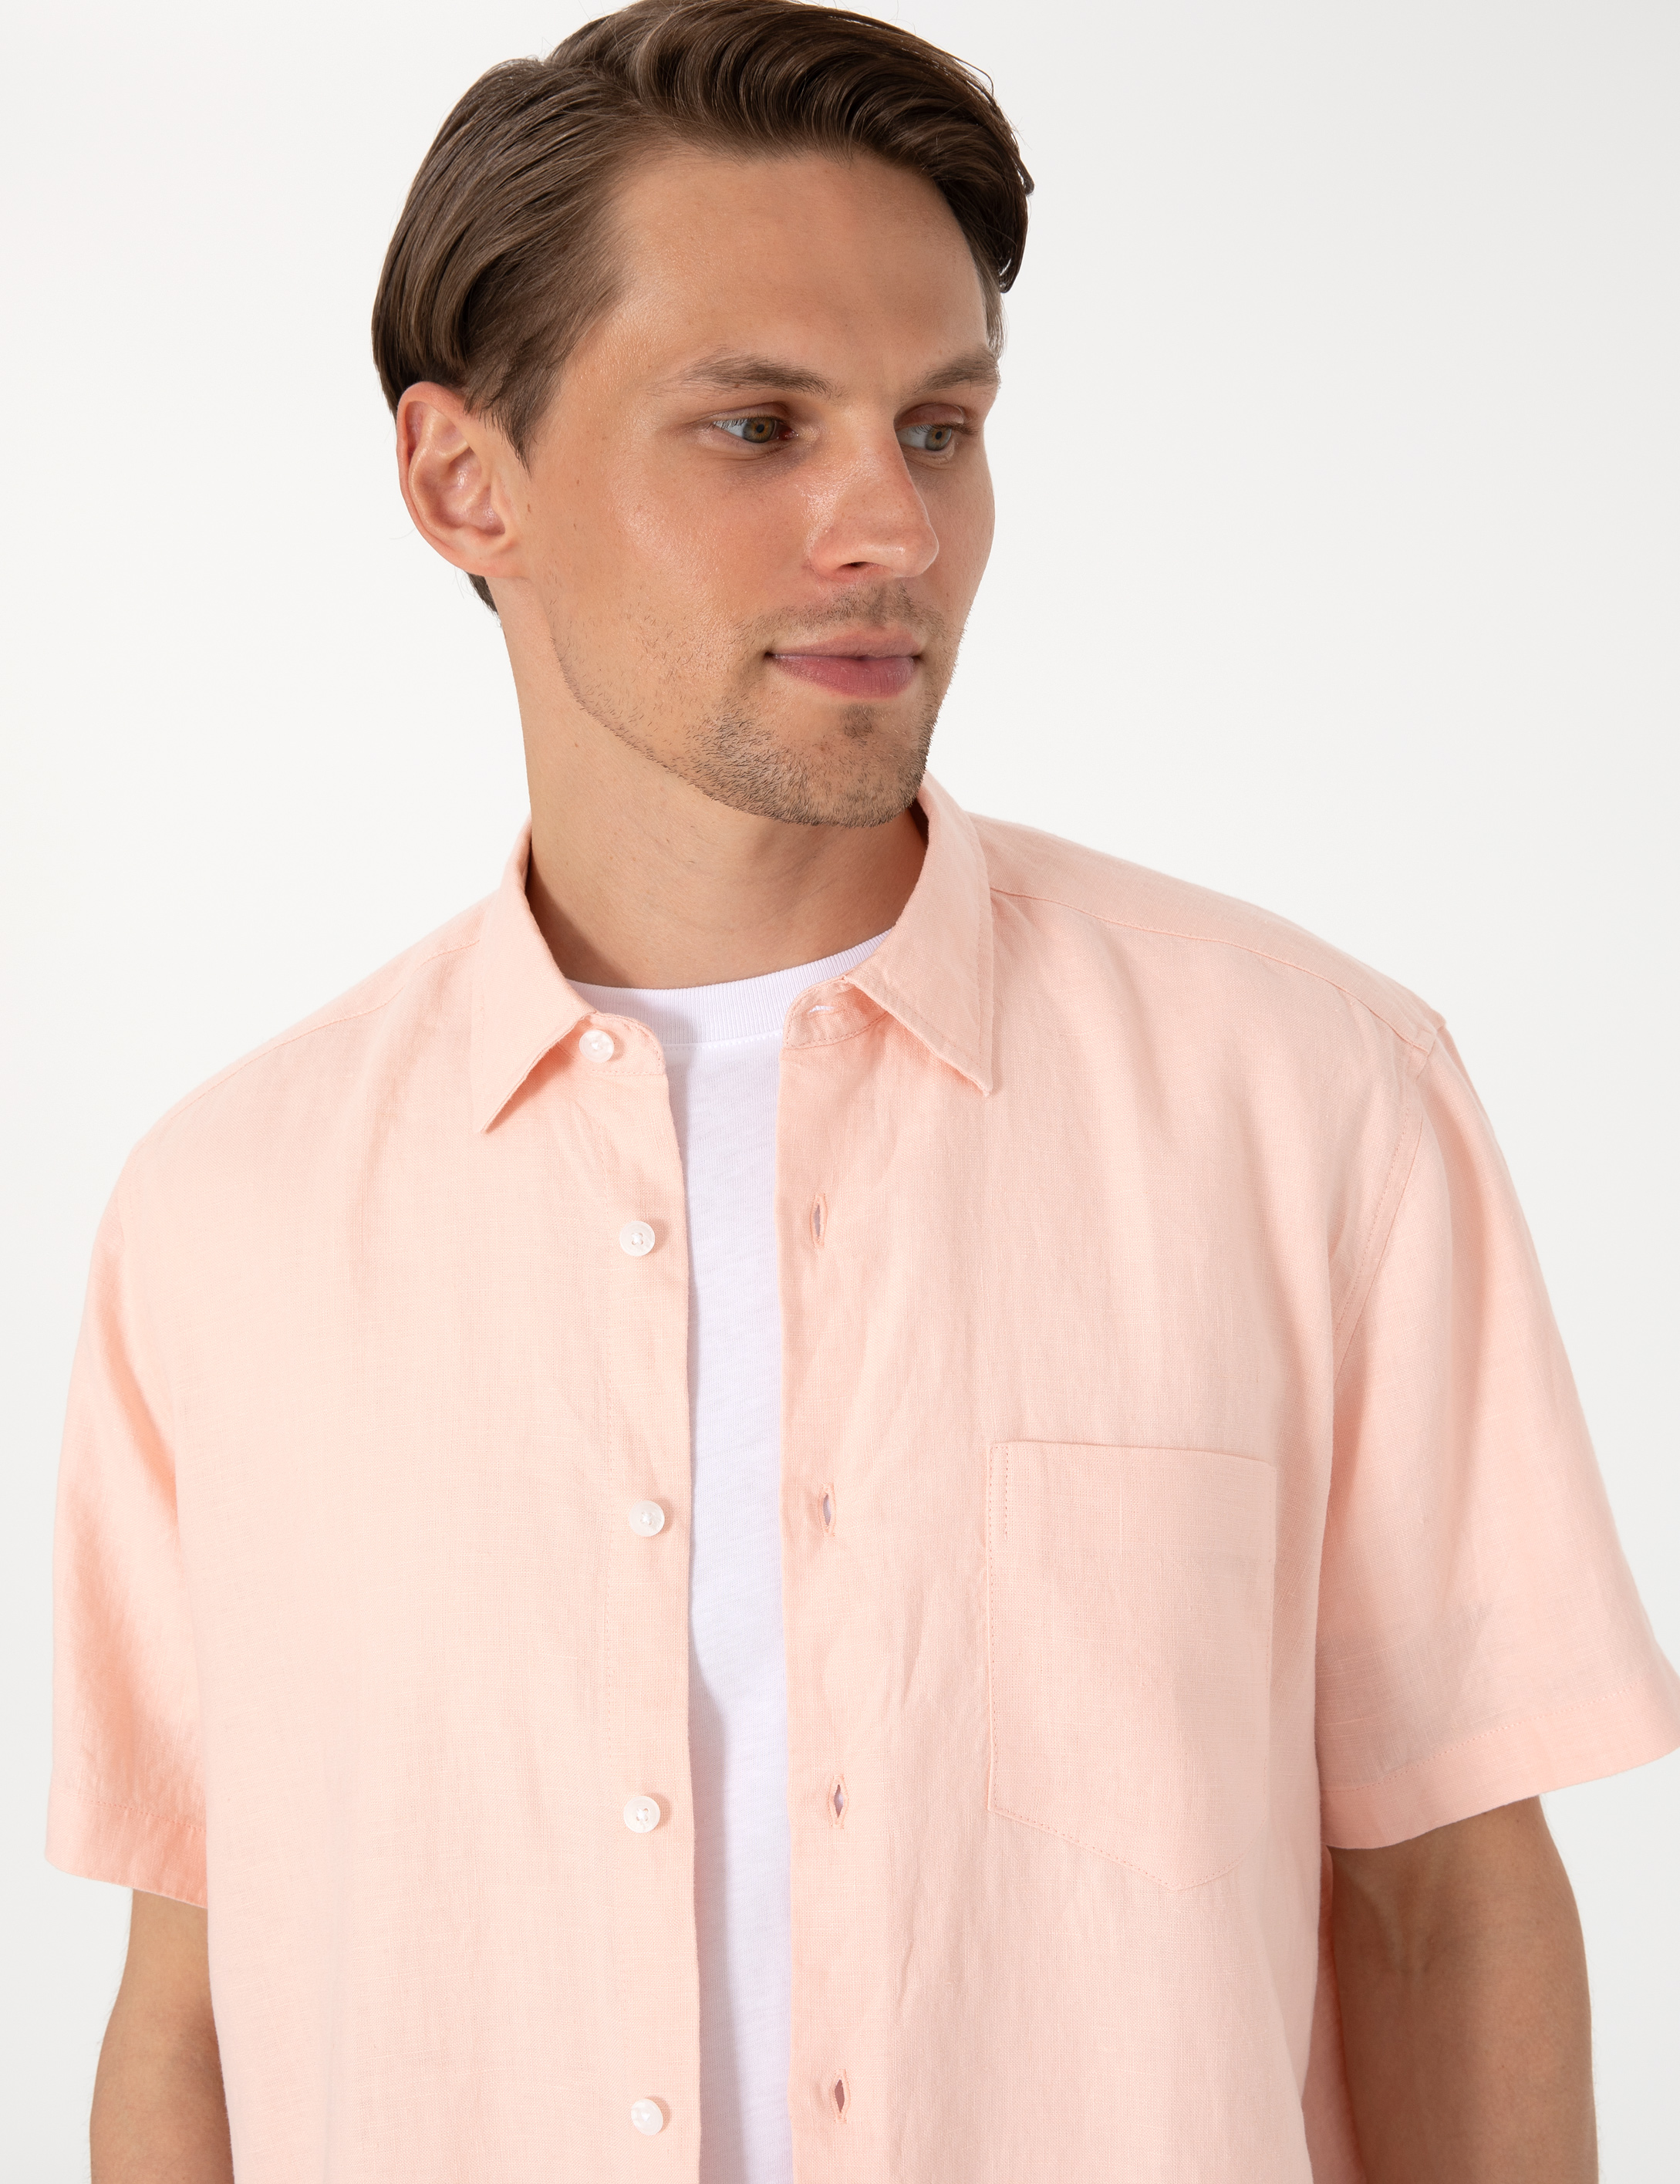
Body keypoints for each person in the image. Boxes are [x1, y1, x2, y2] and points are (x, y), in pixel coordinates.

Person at [49, 2, 1679, 2179]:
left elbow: (1444, 1909)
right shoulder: (225, 1215)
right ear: (464, 483)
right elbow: (193, 2003)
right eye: (757, 427)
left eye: (938, 427)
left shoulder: (1312, 1102)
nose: (890, 527)